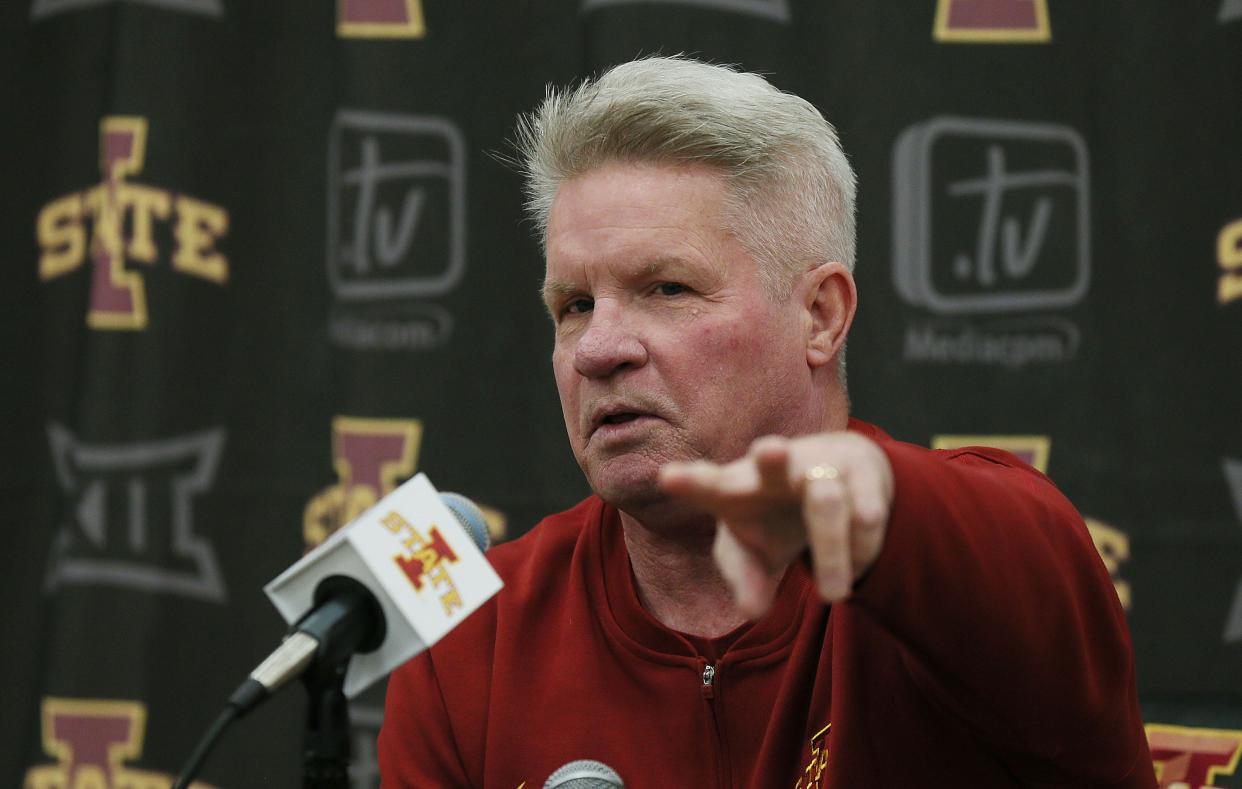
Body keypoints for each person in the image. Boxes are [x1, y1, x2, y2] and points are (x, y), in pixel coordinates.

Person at [378, 56, 1154, 788]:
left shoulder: (964, 566)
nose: (599, 349)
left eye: (668, 288)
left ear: (821, 315)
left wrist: (875, 505)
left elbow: (1012, 557)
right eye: (574, 305)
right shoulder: (470, 635)